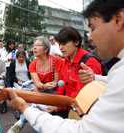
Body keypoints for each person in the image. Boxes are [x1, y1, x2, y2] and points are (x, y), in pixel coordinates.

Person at [7, 0, 124, 132]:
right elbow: (62, 88)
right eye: (59, 44)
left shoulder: (90, 63)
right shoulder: (64, 62)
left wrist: (28, 107)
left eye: (92, 28)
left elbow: (85, 103)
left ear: (118, 19)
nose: (90, 37)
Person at [8, 36, 64, 133]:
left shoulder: (57, 61)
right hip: (40, 92)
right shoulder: (33, 64)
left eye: (38, 45)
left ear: (46, 49)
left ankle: (22, 120)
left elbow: (56, 83)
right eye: (34, 46)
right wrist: (43, 86)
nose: (34, 48)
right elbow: (38, 84)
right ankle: (24, 119)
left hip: (54, 94)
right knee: (36, 113)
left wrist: (47, 86)